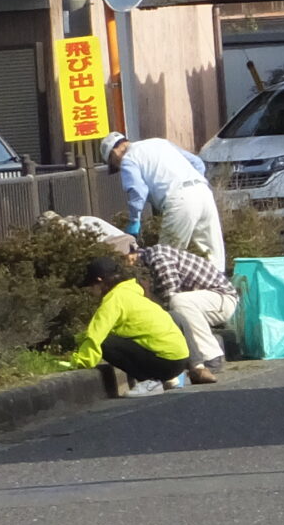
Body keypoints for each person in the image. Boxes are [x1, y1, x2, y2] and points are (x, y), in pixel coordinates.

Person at [67, 254, 193, 396]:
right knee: (115, 338)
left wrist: (80, 362)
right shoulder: (130, 293)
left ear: (99, 281)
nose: (91, 291)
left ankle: (148, 381)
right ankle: (166, 379)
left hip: (166, 362)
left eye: (91, 286)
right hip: (179, 358)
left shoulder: (114, 300)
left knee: (105, 342)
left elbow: (95, 336)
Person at [103, 131, 226, 266]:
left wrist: (134, 221)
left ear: (114, 153)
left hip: (180, 200)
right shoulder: (159, 143)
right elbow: (197, 163)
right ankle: (222, 279)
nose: (118, 168)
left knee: (164, 258)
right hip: (203, 192)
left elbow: (138, 191)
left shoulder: (128, 159)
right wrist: (193, 187)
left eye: (114, 165)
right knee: (213, 256)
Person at [130, 238, 238, 385]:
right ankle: (197, 358)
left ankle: (210, 357)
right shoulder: (146, 264)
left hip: (222, 297)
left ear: (132, 254)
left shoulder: (158, 257)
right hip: (204, 300)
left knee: (178, 302)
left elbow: (170, 295)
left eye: (123, 259)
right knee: (176, 305)